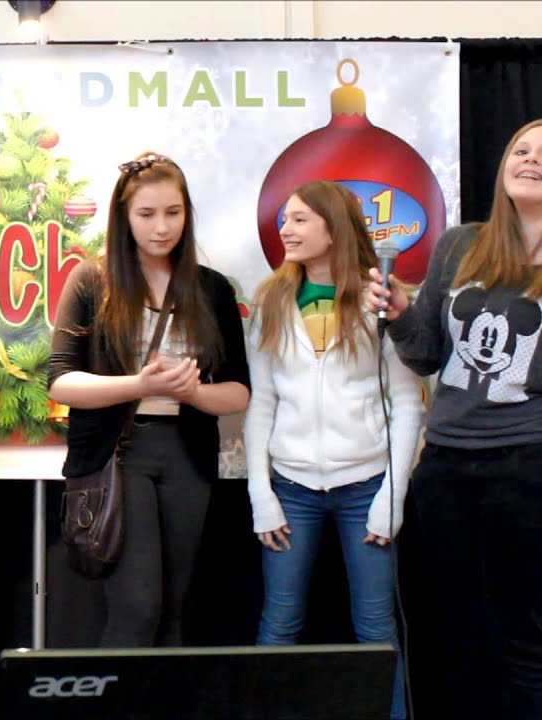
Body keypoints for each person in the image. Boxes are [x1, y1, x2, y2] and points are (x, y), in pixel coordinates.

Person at [368, 119, 542, 720]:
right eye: (521, 149)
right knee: (458, 642)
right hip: (446, 468)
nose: (531, 159)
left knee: (519, 645)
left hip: (534, 469)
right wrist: (399, 311)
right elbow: (426, 352)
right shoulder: (458, 245)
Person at [48, 152, 250, 647]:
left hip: (187, 455)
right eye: (147, 214)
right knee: (138, 608)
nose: (162, 228)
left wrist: (193, 391)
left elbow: (238, 392)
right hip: (118, 454)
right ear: (124, 217)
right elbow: (60, 382)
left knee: (177, 612)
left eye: (173, 213)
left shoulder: (211, 289)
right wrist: (140, 386)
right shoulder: (92, 281)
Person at [245, 180, 424, 719]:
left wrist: (390, 498)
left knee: (375, 629)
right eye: (284, 219)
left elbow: (407, 402)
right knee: (278, 626)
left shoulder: (380, 296)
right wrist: (262, 495)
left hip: (366, 487)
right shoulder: (271, 299)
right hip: (292, 490)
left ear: (333, 227)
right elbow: (262, 404)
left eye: (300, 219)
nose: (286, 229)